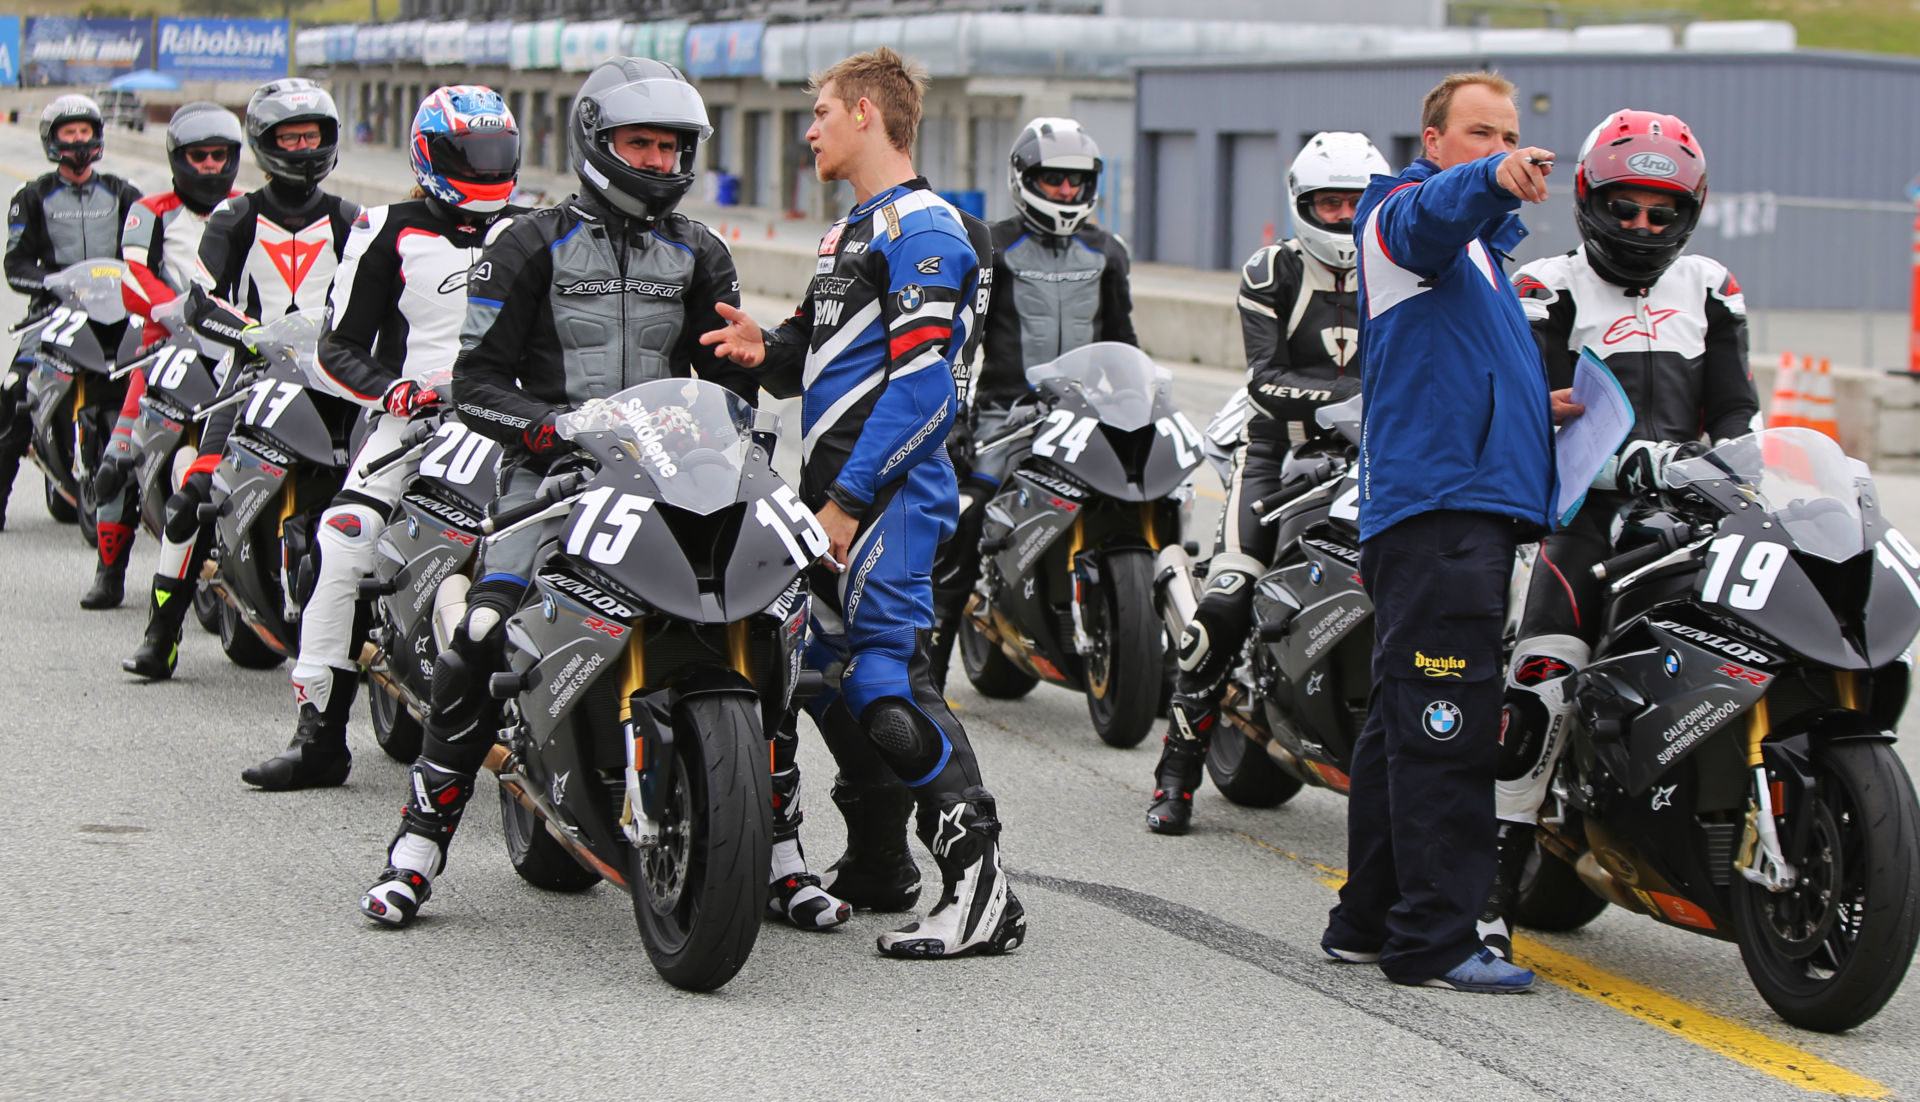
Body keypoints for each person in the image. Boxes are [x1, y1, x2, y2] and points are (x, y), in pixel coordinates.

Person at [355, 59, 820, 928]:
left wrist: (738, 437)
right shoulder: (524, 244)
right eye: (640, 142)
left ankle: (783, 849)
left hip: (664, 477)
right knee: (484, 637)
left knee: (769, 624)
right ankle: (417, 848)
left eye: (672, 145)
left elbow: (726, 385)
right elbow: (478, 381)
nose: (656, 159)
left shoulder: (702, 251)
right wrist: (552, 430)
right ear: (597, 142)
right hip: (550, 480)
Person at [701, 47, 1025, 959]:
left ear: (866, 117)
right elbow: (813, 349)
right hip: (834, 495)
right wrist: (758, 345)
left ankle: (982, 888)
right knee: (817, 681)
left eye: (819, 112)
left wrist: (845, 502)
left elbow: (925, 392)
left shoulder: (926, 229)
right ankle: (880, 865)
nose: (807, 130)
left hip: (891, 500)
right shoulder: (853, 230)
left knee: (888, 687)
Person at [1481, 109, 1757, 959]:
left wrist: (1750, 474)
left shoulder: (1712, 285)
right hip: (1582, 512)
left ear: (1689, 213)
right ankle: (1491, 891)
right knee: (1545, 670)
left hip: (1690, 510)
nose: (1642, 226)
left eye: (1661, 211)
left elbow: (1738, 411)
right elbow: (1540, 420)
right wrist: (1630, 467)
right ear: (1591, 200)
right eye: (1627, 207)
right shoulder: (1544, 287)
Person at [1320, 71, 1570, 995]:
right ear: (1433, 141)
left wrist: (1541, 408)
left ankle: (1368, 919)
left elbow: (1449, 375)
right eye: (1478, 132)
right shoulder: (1400, 221)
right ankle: (1433, 939)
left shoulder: (1483, 262)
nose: (1499, 144)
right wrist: (1493, 177)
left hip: (1459, 510)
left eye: (1508, 132)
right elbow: (1432, 217)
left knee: (1401, 724)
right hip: (1440, 517)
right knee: (1446, 724)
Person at [239, 86, 524, 793]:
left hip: (520, 421)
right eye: (469, 154)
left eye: (496, 153)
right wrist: (391, 390)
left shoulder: (537, 229)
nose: (485, 167)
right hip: (415, 422)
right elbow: (338, 347)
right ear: (430, 155)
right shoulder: (384, 228)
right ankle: (318, 740)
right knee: (342, 536)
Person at [1146, 132, 1388, 835]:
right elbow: (1268, 383)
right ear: (1302, 204)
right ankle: (1176, 775)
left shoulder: (1403, 272)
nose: (1344, 218)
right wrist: (1365, 400)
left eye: (1357, 203)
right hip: (1275, 461)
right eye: (1330, 203)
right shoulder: (1271, 270)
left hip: (1376, 463)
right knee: (1227, 602)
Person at [121, 78, 361, 684]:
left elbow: (378, 303)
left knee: (369, 497)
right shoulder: (236, 215)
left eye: (312, 135)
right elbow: (201, 303)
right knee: (193, 496)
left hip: (335, 383)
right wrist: (253, 335)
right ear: (264, 142)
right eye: (291, 136)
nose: (303, 147)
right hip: (248, 376)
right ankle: (161, 635)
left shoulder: (354, 220)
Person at [926, 117, 1133, 687]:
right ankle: (929, 679)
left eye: (1076, 181)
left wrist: (1141, 404)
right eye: (1053, 180)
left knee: (1150, 496)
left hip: (1088, 418)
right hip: (1007, 417)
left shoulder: (1108, 250)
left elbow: (1124, 343)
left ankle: (1152, 656)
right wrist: (958, 419)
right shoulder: (990, 243)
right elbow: (962, 341)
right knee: (963, 520)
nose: (1066, 192)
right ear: (1024, 179)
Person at [84, 103, 244, 613]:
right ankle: (109, 571)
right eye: (199, 156)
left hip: (236, 345)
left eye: (220, 156)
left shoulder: (247, 207)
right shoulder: (148, 210)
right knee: (116, 463)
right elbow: (132, 274)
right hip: (161, 340)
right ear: (178, 158)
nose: (211, 166)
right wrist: (179, 312)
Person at [2, 95, 142, 532]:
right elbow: (15, 263)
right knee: (15, 396)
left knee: (151, 390)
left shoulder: (122, 193)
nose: (79, 141)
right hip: (52, 315)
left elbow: (144, 257)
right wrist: (50, 285)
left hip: (114, 314)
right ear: (52, 140)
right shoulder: (31, 195)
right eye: (69, 133)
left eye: (85, 132)